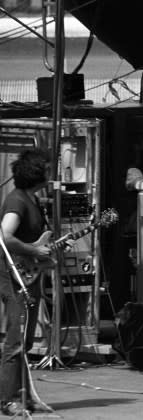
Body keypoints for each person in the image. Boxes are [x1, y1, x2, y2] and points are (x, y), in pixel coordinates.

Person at [0, 148, 54, 415]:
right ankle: (8, 400)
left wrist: (44, 251)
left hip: (30, 277)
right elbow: (5, 235)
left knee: (26, 341)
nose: (51, 171)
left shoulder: (33, 200)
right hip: (14, 278)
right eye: (46, 167)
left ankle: (24, 396)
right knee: (15, 340)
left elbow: (34, 241)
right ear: (37, 173)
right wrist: (34, 252)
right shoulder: (17, 201)